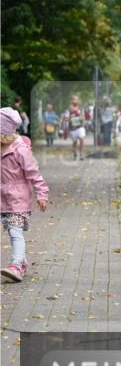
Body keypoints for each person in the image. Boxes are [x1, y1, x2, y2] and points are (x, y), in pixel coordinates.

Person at [1, 108, 49, 283]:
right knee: (13, 232)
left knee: (15, 231)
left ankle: (16, 266)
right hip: (4, 200)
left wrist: (42, 195)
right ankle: (22, 261)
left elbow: (34, 174)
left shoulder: (20, 151)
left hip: (18, 199)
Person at [67, 95, 86, 161]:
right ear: (71, 101)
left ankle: (81, 154)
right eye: (74, 99)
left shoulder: (81, 109)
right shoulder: (69, 110)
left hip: (80, 127)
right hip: (72, 128)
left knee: (82, 139)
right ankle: (75, 153)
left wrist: (81, 118)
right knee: (75, 142)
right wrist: (70, 118)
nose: (75, 101)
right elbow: (66, 119)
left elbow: (83, 118)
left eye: (77, 99)